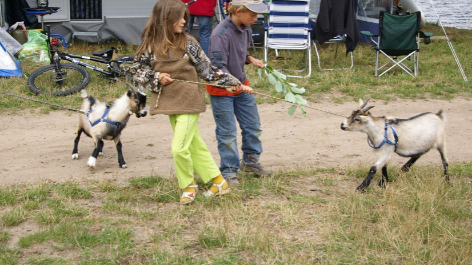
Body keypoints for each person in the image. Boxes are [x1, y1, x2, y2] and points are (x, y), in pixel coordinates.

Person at [130, 0, 252, 204]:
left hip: (189, 100)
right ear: (165, 18)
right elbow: (135, 70)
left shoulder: (188, 43)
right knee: (194, 145)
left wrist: (234, 83)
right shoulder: (150, 44)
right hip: (169, 101)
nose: (184, 21)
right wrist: (156, 77)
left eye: (185, 16)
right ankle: (219, 182)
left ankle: (188, 185)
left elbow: (207, 70)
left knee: (179, 147)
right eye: (179, 17)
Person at [206, 0, 271, 185]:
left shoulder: (246, 28)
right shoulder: (220, 34)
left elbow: (239, 53)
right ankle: (228, 171)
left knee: (253, 126)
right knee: (227, 133)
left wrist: (250, 59)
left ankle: (250, 161)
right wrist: (237, 84)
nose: (255, 18)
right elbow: (217, 67)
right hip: (222, 88)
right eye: (252, 14)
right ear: (239, 11)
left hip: (241, 85)